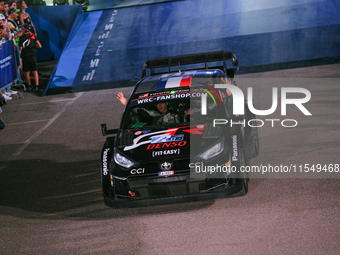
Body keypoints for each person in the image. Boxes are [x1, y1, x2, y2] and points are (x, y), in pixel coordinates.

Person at [18, 23, 41, 91]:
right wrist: (34, 46)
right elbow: (40, 46)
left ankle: (29, 86)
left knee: (27, 72)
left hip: (25, 56)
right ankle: (37, 86)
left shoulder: (21, 38)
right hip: (33, 55)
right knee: (35, 71)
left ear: (24, 30)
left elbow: (20, 49)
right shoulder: (33, 35)